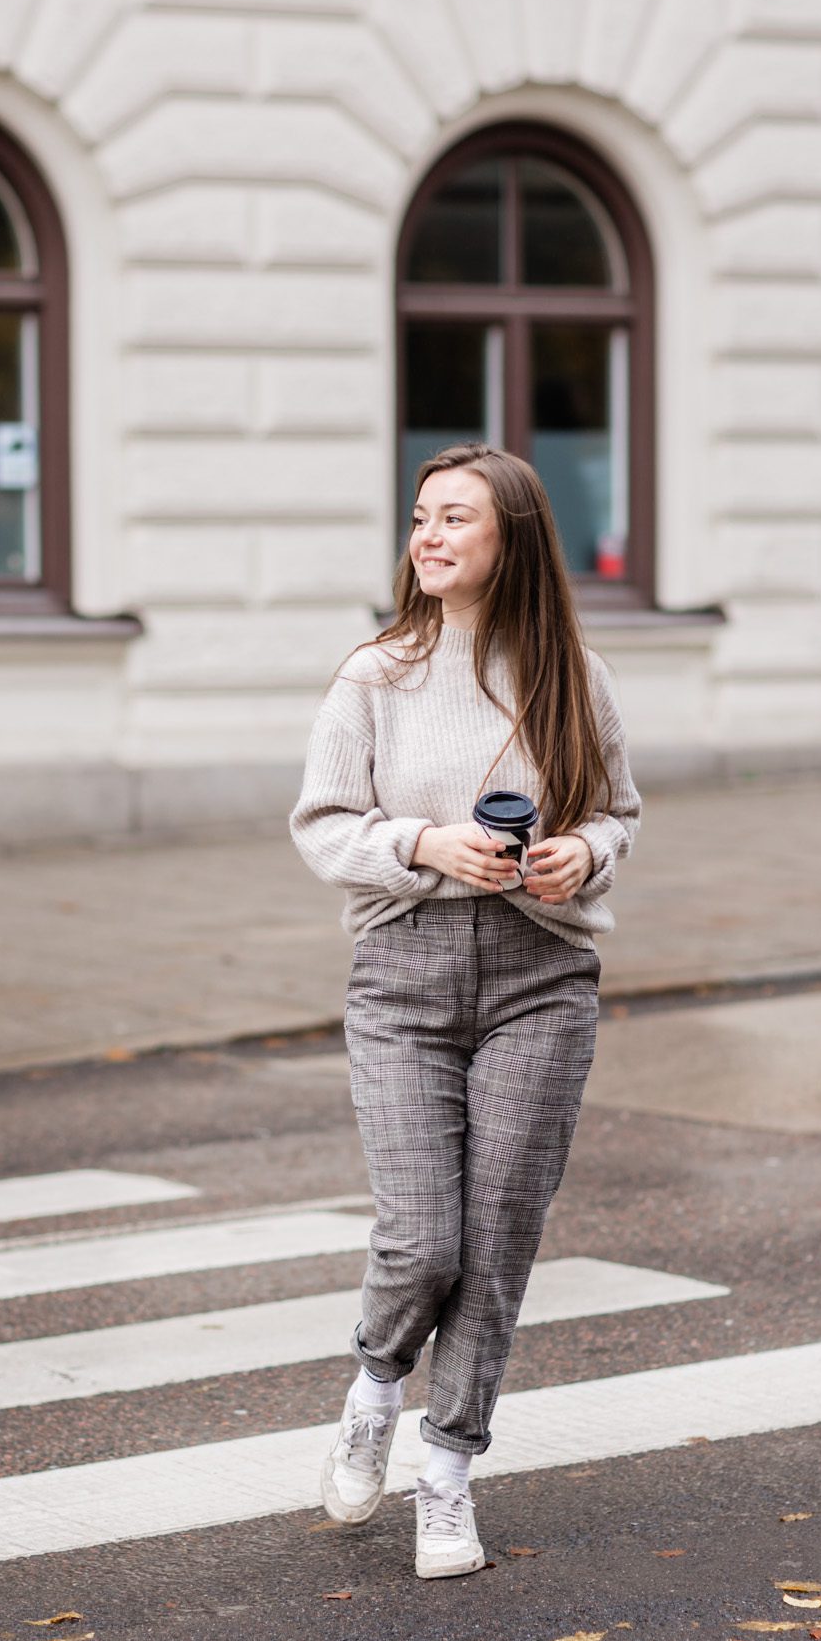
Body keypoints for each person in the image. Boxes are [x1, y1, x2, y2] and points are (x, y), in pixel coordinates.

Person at [288, 443, 641, 1579]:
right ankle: (376, 1384)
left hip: (542, 977)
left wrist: (575, 855)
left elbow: (621, 813)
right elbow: (324, 822)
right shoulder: (375, 675)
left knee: (495, 1249)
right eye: (421, 517)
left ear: (512, 541)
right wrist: (423, 843)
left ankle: (447, 1469)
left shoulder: (569, 674)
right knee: (422, 1237)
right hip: (404, 974)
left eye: (456, 519)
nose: (429, 536)